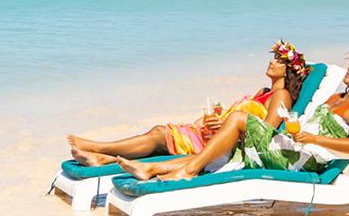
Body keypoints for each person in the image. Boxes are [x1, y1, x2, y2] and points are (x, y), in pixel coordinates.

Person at [115, 49, 349, 181]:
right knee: (218, 152)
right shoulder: (335, 98)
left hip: (301, 162)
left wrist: (313, 138)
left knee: (237, 121)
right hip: (289, 148)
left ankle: (187, 171)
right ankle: (150, 168)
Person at [67, 42, 310, 167]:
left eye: (279, 61)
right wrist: (213, 121)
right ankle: (103, 158)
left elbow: (262, 134)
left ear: (289, 70)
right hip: (215, 133)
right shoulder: (263, 92)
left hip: (224, 144)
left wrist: (225, 125)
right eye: (273, 58)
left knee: (158, 134)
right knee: (158, 136)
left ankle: (98, 148)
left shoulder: (282, 97)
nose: (272, 62)